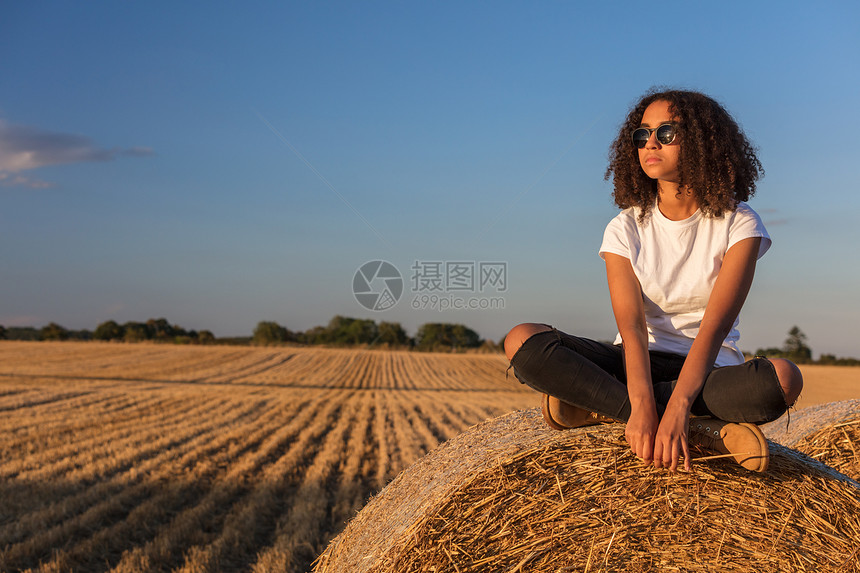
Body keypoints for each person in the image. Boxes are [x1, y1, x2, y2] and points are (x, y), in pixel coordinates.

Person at [504, 89, 803, 473]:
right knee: (522, 339)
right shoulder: (625, 227)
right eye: (641, 134)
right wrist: (643, 406)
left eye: (665, 133)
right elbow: (631, 327)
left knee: (784, 378)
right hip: (635, 364)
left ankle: (601, 406)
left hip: (710, 373)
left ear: (701, 141)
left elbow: (714, 328)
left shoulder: (739, 223)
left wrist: (679, 405)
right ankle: (698, 429)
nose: (650, 143)